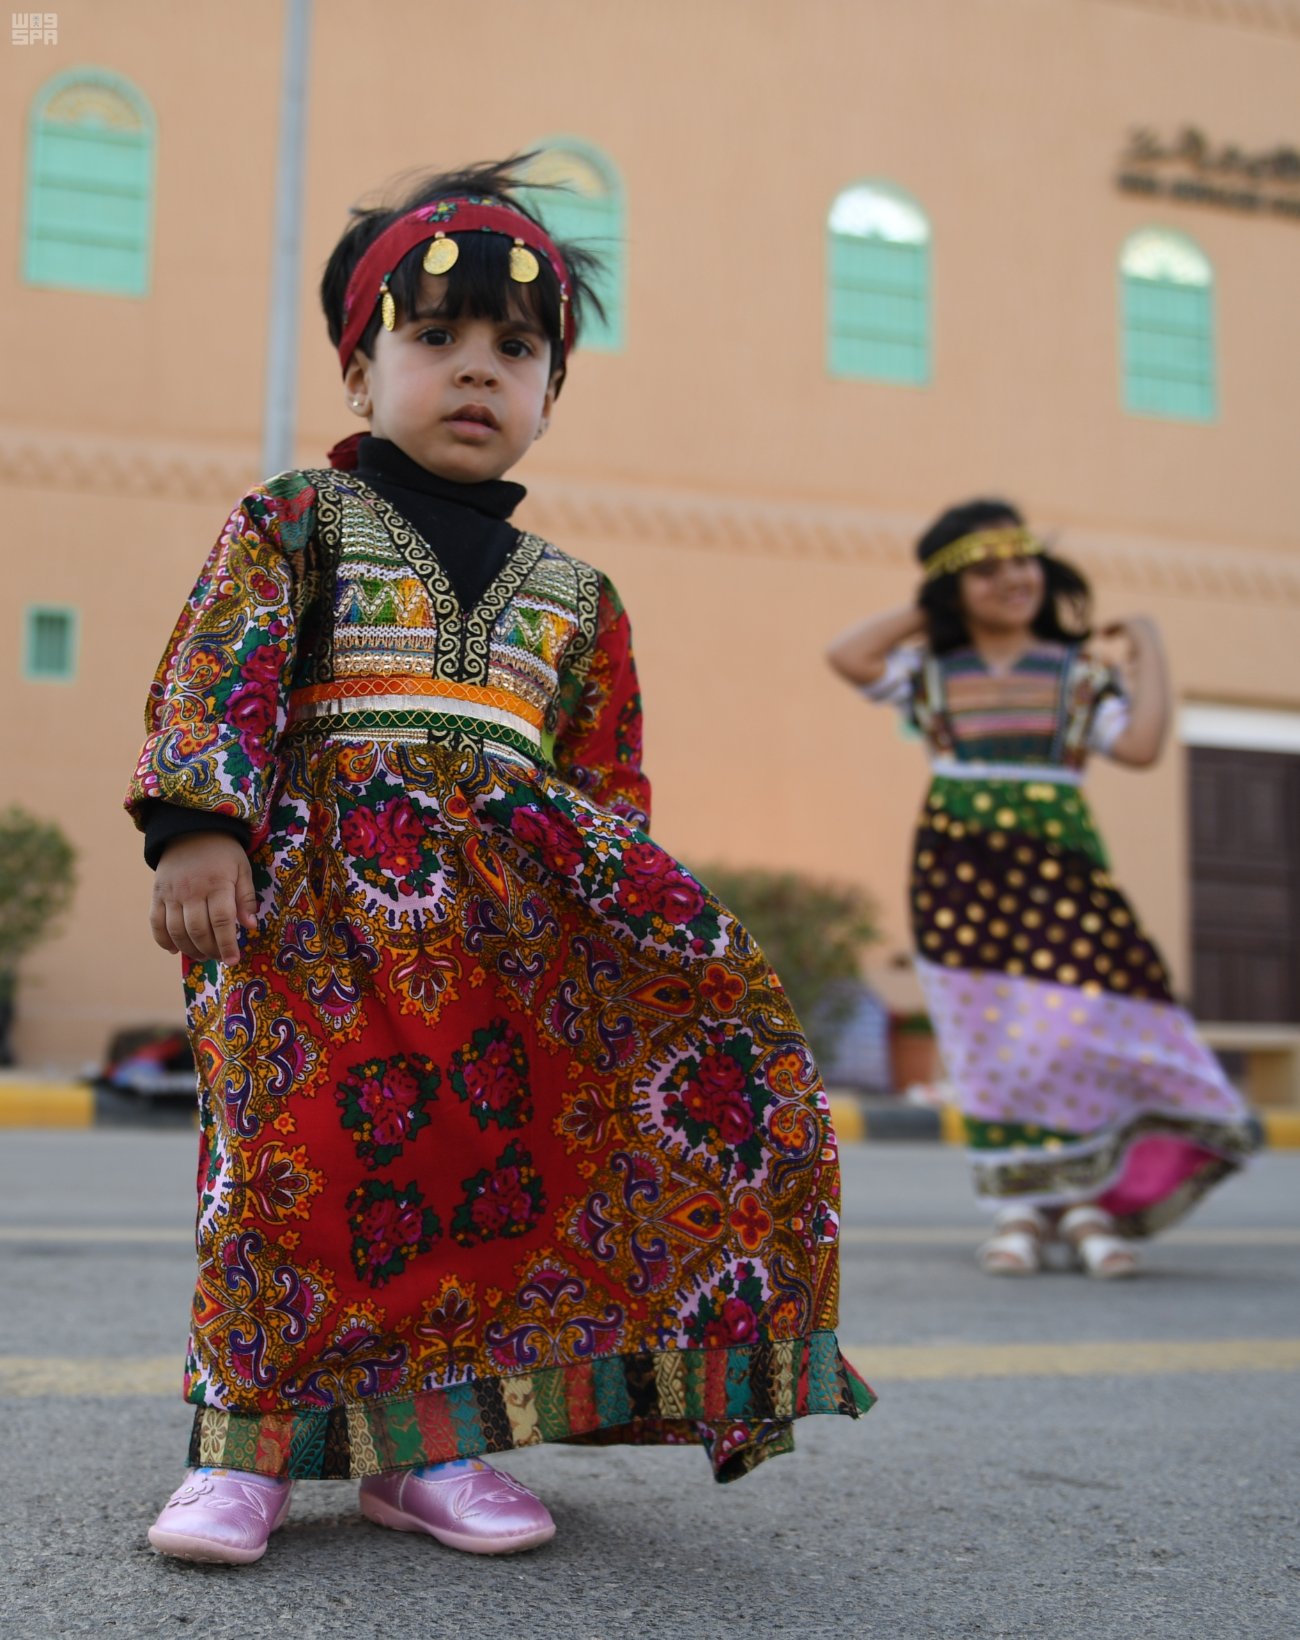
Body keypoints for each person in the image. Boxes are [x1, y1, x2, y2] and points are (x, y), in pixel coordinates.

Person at [127, 159, 871, 1566]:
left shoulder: (580, 598)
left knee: (476, 1181)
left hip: (503, 957)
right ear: (362, 370)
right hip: (306, 926)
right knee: (289, 1168)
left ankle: (433, 1450)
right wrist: (198, 827)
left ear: (550, 393)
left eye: (516, 350)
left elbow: (604, 789)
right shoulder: (295, 521)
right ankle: (243, 1450)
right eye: (436, 337)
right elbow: (220, 670)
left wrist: (637, 949)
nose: (477, 369)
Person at [827, 498, 1257, 1280]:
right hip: (959, 879)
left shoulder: (1078, 674)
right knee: (992, 1042)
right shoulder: (930, 673)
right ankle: (1020, 1208)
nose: (1011, 578)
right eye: (984, 569)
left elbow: (1141, 746)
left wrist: (1149, 645)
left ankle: (1090, 1200)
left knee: (1079, 1034)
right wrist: (935, 606)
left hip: (1064, 876)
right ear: (953, 588)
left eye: (1022, 560)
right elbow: (847, 654)